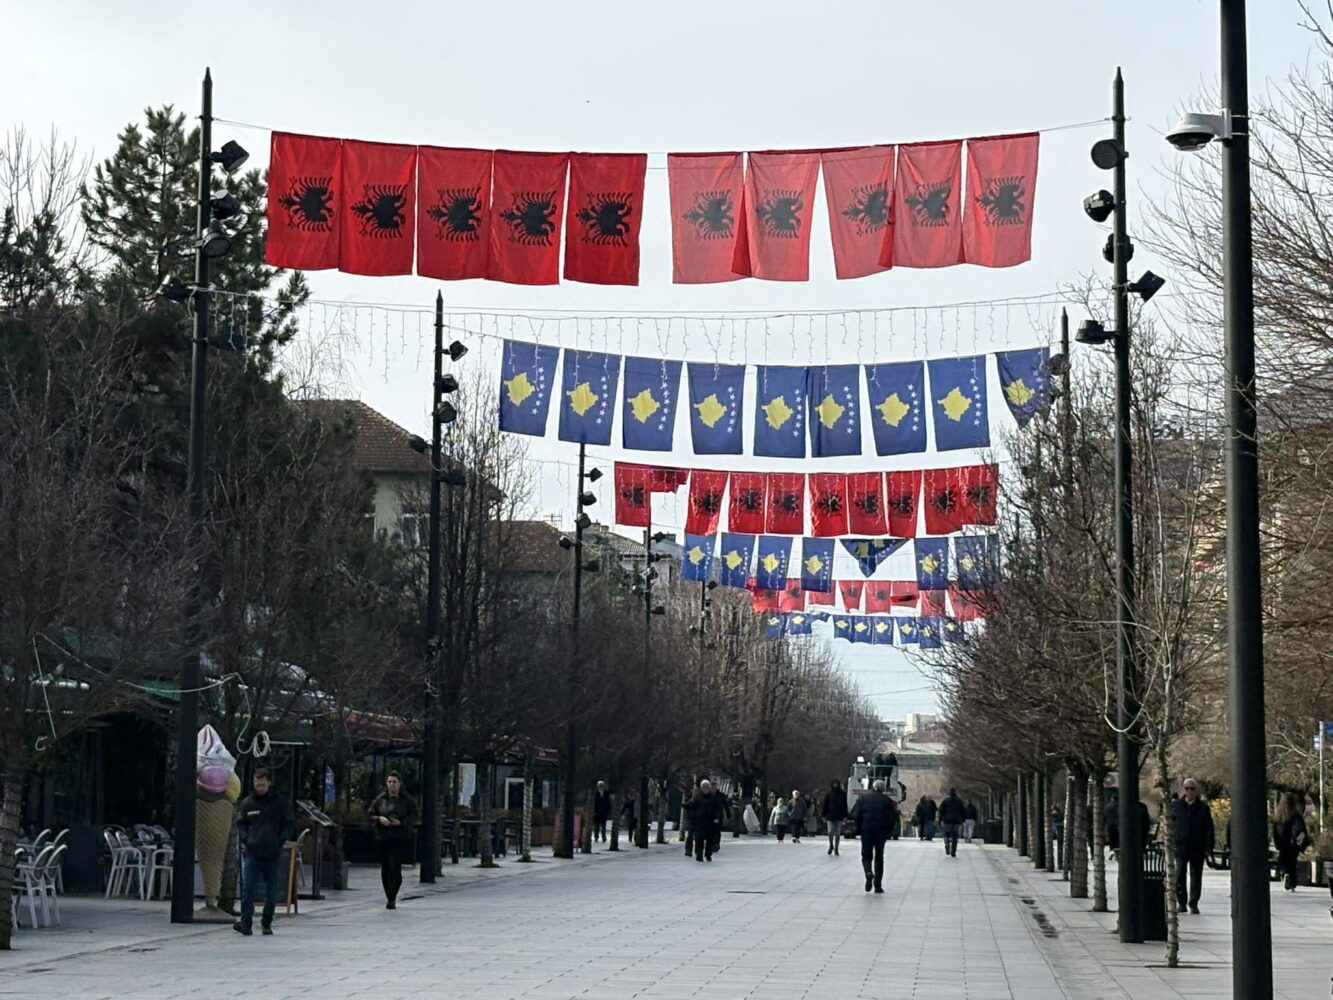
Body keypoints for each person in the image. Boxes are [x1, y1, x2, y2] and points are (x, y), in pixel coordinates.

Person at [233, 768, 293, 936]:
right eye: (257, 783)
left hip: (272, 852)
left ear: (269, 783)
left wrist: (280, 840)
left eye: (262, 783)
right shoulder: (248, 803)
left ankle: (266, 923)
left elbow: (288, 823)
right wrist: (246, 839)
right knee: (248, 889)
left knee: (271, 890)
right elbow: (241, 824)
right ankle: (246, 923)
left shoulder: (279, 803)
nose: (259, 786)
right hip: (253, 852)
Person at [368, 771, 418, 909]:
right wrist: (379, 819)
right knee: (385, 867)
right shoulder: (380, 799)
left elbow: (414, 816)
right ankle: (388, 894)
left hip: (399, 837)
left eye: (394, 782)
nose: (392, 785)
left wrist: (402, 823)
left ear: (400, 784)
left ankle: (392, 895)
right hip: (384, 837)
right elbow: (370, 814)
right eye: (389, 782)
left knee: (395, 866)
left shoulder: (407, 800)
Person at [1172, 778, 1215, 914]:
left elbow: (1209, 828)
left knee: (1196, 876)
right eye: (1187, 788)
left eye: (1192, 788)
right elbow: (1170, 825)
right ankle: (1181, 903)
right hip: (1180, 846)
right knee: (1179, 875)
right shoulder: (1176, 806)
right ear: (1183, 790)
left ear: (1196, 790)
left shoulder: (1203, 808)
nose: (1190, 791)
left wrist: (1209, 847)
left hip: (1197, 846)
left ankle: (1193, 903)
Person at [851, 779, 897, 894]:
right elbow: (892, 818)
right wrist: (889, 831)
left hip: (866, 830)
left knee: (866, 855)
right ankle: (878, 885)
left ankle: (868, 872)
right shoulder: (887, 801)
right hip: (881, 831)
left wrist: (859, 828)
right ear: (883, 789)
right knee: (879, 857)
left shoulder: (863, 799)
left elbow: (855, 815)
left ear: (873, 787)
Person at [1273, 791, 1311, 892]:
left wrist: (1277, 843)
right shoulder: (1296, 815)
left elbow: (1275, 832)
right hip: (1294, 844)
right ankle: (1292, 883)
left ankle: (1285, 873)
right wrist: (1302, 843)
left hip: (1283, 843)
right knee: (1292, 862)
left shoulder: (1278, 817)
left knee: (1284, 860)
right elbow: (1301, 829)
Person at [690, 780, 726, 862]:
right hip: (699, 821)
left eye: (707, 787)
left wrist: (717, 817)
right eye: (704, 787)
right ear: (701, 788)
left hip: (710, 822)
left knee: (710, 839)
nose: (705, 789)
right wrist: (693, 816)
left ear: (709, 788)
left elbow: (718, 809)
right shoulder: (697, 797)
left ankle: (708, 854)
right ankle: (699, 854)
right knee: (699, 838)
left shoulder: (714, 798)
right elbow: (692, 808)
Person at [822, 780, 848, 856]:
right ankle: (831, 845)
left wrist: (845, 816)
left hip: (839, 816)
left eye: (836, 784)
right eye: (834, 784)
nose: (835, 785)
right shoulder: (829, 794)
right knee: (830, 832)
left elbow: (844, 805)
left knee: (837, 833)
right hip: (830, 815)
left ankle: (836, 848)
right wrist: (823, 815)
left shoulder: (842, 794)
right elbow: (825, 805)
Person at [938, 788, 966, 857]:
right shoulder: (959, 801)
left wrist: (940, 819)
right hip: (956, 821)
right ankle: (953, 851)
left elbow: (940, 810)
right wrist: (962, 820)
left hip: (947, 820)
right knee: (954, 836)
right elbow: (963, 811)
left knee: (946, 834)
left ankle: (947, 843)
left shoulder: (946, 801)